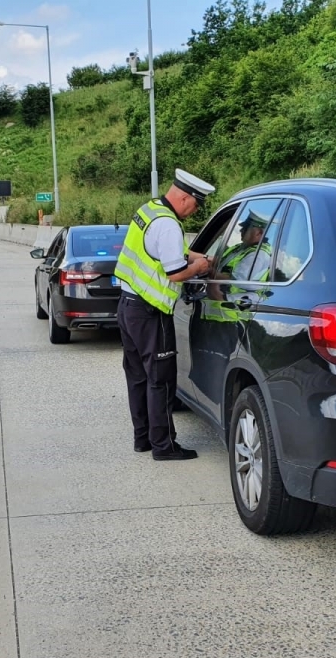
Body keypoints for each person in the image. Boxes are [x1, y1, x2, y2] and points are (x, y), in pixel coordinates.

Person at [114, 169, 215, 461]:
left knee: (137, 378)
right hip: (150, 313)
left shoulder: (149, 210)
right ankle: (164, 446)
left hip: (128, 307)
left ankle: (143, 439)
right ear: (184, 197)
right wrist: (201, 268)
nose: (195, 210)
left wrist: (201, 256)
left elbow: (175, 252)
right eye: (195, 204)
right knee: (161, 379)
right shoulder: (169, 225)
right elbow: (176, 273)